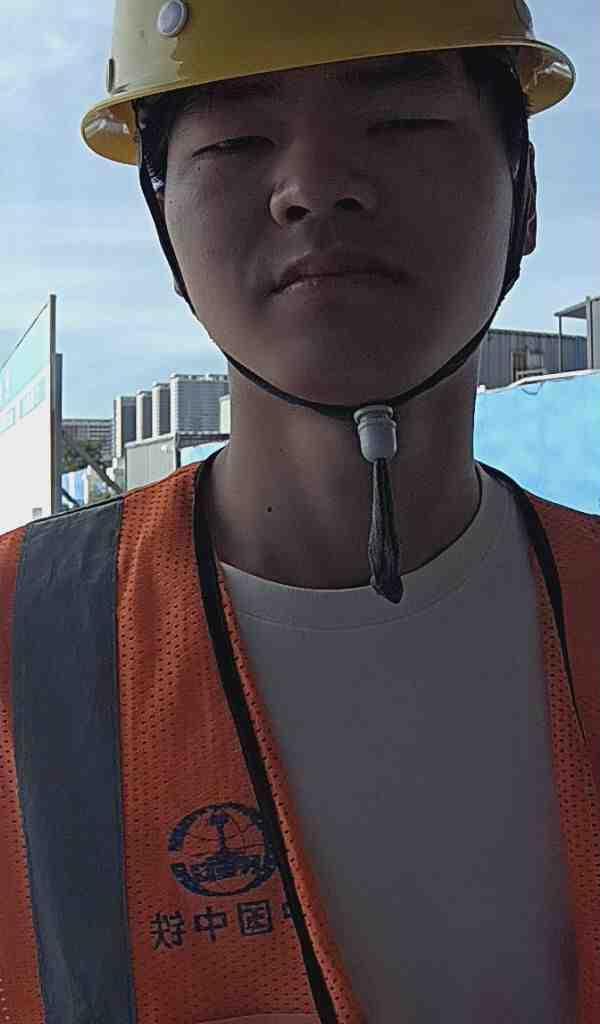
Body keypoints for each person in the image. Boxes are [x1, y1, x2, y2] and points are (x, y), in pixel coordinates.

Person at [2, 2, 599, 1022]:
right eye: (236, 140)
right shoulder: (18, 636)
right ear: (164, 229)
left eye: (401, 121)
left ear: (526, 194)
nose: (314, 187)